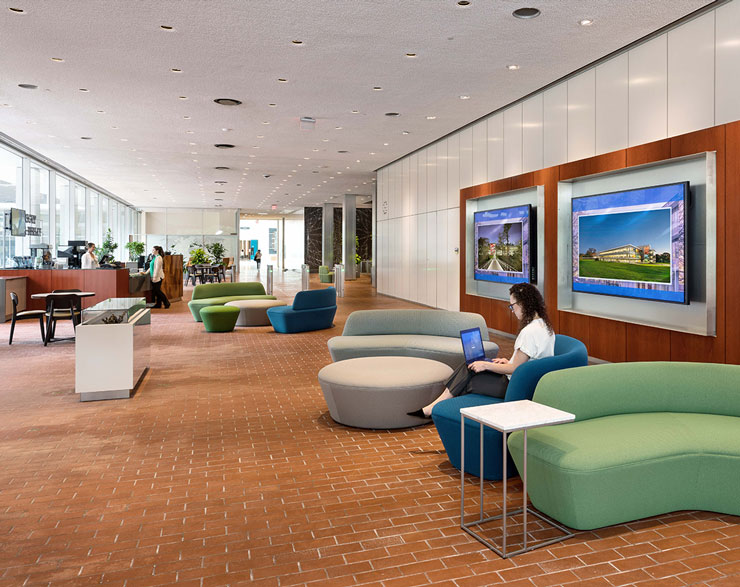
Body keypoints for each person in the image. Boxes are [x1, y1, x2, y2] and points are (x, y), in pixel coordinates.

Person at [408, 282, 555, 419]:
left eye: (512, 306)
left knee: (468, 376)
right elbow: (528, 362)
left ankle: (435, 409)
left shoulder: (529, 332)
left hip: (515, 388)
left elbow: (514, 368)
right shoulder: (545, 327)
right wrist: (507, 361)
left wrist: (486, 365)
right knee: (470, 366)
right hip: (529, 383)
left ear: (523, 304)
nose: (512, 311)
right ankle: (434, 407)